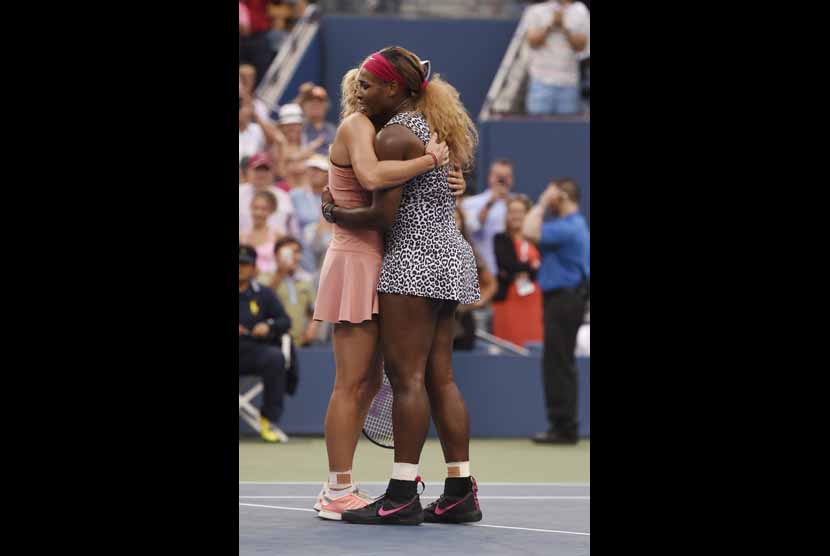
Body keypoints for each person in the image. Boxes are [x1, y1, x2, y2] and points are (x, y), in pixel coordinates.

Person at [324, 46, 482, 527]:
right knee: (442, 379)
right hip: (452, 258)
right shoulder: (436, 130)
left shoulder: (393, 138)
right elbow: (447, 187)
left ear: (394, 88)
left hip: (412, 263)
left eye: (368, 85)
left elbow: (379, 214)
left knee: (408, 380)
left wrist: (334, 211)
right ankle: (459, 490)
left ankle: (400, 494)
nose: (360, 92)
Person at [522, 178, 589, 445]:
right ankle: (563, 425)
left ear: (561, 197)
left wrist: (541, 203)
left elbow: (527, 231)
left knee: (558, 363)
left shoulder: (568, 227)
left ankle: (563, 428)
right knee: (559, 362)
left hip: (564, 300)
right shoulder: (573, 225)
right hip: (565, 300)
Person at [239, 244, 292, 443]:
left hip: (252, 350)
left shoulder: (264, 293)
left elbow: (285, 321)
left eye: (244, 264)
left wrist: (268, 326)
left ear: (254, 268)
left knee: (275, 358)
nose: (240, 268)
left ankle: (268, 420)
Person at [492, 194, 543, 347]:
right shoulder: (500, 238)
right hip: (508, 300)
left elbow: (541, 269)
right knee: (508, 345)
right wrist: (531, 265)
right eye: (512, 212)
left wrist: (523, 269)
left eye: (520, 212)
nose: (516, 216)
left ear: (527, 214)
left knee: (534, 344)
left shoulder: (537, 239)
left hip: (534, 301)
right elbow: (507, 264)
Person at [524, 0, 590, 115]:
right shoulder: (536, 10)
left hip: (569, 83)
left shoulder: (580, 10)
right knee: (537, 129)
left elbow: (582, 46)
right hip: (540, 82)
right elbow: (532, 41)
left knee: (567, 131)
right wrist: (551, 25)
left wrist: (564, 27)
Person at [453, 204, 497, 351]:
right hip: (433, 316)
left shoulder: (469, 250)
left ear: (462, 223)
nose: (453, 223)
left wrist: (477, 302)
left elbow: (490, 283)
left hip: (461, 320)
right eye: (448, 219)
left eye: (457, 219)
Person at [267, 237, 319, 346]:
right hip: (271, 340)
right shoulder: (265, 277)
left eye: (297, 252)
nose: (295, 257)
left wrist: (312, 327)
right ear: (277, 255)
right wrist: (280, 274)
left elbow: (315, 309)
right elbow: (262, 300)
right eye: (289, 252)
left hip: (300, 342)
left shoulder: (306, 281)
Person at [239, 152, 299, 239]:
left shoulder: (283, 196)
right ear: (248, 171)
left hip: (276, 247)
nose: (261, 174)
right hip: (244, 247)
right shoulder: (240, 193)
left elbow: (293, 230)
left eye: (265, 170)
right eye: (257, 169)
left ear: (272, 172)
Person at [291, 154, 328, 274]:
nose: (314, 173)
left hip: (326, 252)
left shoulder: (335, 198)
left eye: (319, 170)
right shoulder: (295, 195)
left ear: (328, 174)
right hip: (302, 252)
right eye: (312, 169)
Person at [240, 190, 282, 281]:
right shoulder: (242, 236)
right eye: (255, 208)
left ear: (271, 210)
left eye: (264, 209)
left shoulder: (278, 236)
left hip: (272, 282)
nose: (258, 213)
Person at [297, 83, 337, 156]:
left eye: (320, 102)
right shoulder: (296, 129)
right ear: (302, 105)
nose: (315, 105)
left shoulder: (333, 130)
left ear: (326, 106)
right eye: (311, 102)